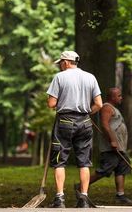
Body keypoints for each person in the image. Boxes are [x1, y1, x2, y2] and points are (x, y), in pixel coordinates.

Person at [46, 50, 102, 208]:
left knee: (59, 161)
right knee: (84, 162)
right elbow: (99, 104)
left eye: (60, 63)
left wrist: (64, 102)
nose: (60, 66)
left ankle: (60, 199)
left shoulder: (59, 77)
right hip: (85, 122)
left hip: (64, 121)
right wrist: (86, 113)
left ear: (65, 62)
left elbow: (51, 104)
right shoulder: (90, 77)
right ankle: (83, 198)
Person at [75, 87, 132, 205]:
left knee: (122, 167)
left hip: (119, 147)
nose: (121, 97)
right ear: (112, 97)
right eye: (119, 95)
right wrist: (113, 141)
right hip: (111, 147)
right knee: (105, 169)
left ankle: (120, 195)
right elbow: (105, 125)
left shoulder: (113, 108)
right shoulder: (107, 107)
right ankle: (80, 186)